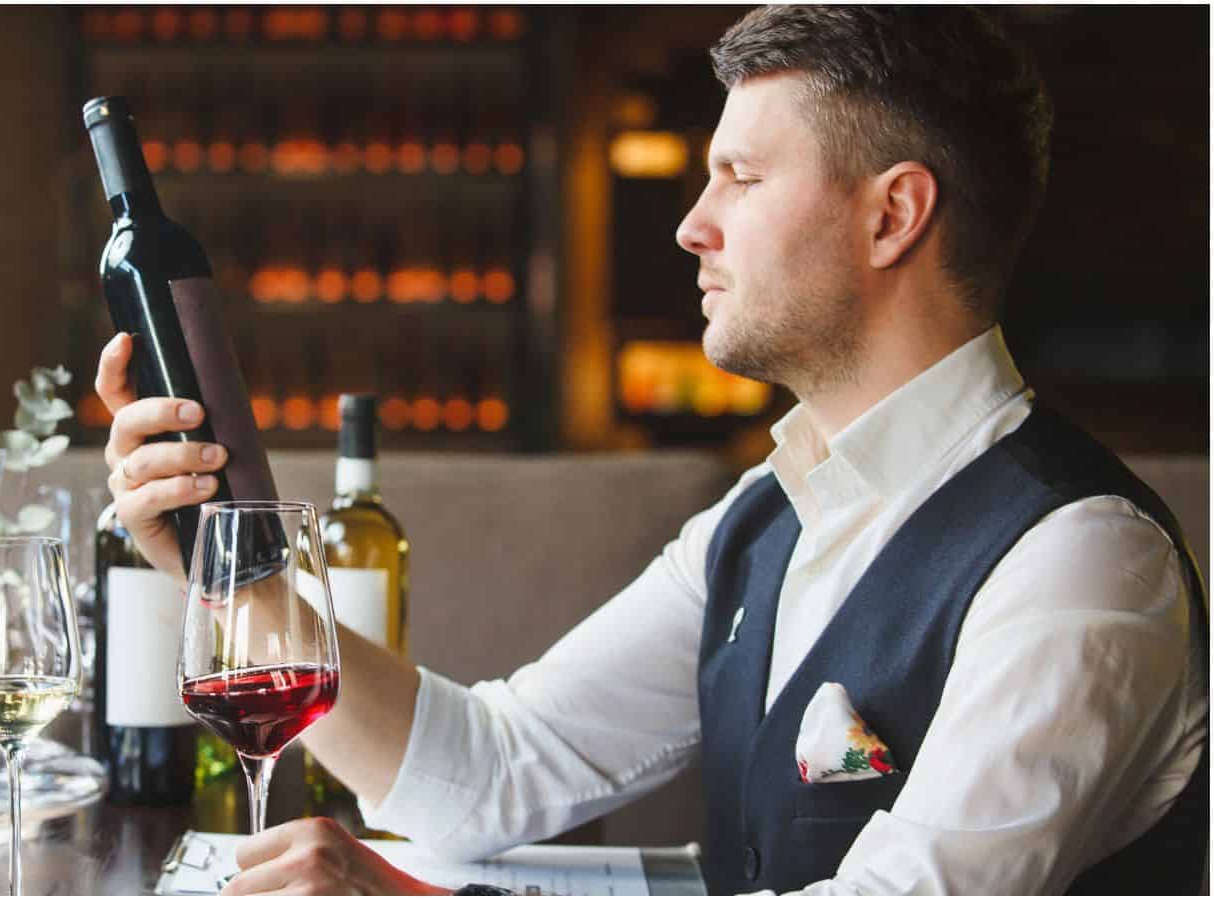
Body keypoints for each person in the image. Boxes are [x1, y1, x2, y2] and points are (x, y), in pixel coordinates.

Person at [96, 6, 1208, 895]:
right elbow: (485, 772)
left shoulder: (1080, 564)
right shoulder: (763, 518)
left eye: (742, 176)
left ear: (892, 217)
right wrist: (222, 567)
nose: (691, 224)